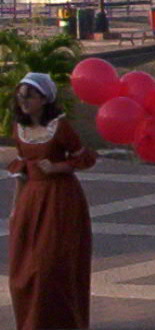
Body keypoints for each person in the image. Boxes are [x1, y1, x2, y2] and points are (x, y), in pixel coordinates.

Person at [7, 72, 96, 330]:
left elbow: (84, 158)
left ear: (44, 99)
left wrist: (58, 167)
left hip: (60, 200)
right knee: (25, 270)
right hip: (31, 200)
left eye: (29, 95)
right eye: (21, 95)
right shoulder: (19, 128)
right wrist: (16, 207)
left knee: (50, 267)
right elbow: (21, 169)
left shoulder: (60, 126)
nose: (23, 101)